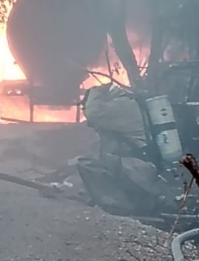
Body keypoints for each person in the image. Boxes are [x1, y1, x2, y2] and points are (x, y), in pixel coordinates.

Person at [75, 83, 178, 216]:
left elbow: (93, 113)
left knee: (87, 163)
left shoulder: (122, 106)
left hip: (142, 168)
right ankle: (131, 201)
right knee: (102, 159)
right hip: (141, 166)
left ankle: (122, 207)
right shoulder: (127, 103)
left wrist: (95, 90)